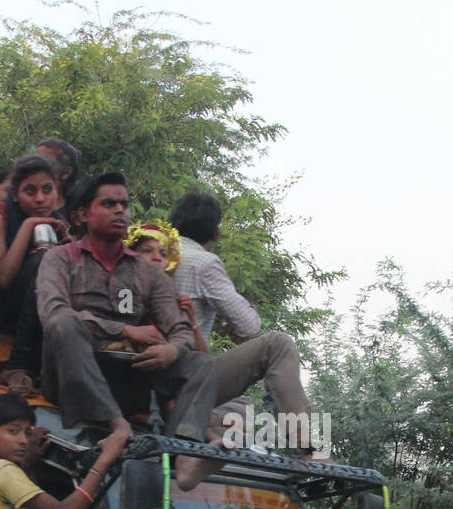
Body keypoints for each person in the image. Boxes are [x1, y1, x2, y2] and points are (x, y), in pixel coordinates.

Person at [34, 172, 217, 489]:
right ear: (82, 214)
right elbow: (53, 314)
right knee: (65, 323)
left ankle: (182, 452)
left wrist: (172, 349)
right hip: (71, 375)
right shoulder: (59, 259)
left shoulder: (148, 272)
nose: (120, 210)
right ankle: (117, 425)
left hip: (130, 374)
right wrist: (126, 331)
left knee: (202, 363)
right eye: (108, 203)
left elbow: (181, 330)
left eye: (124, 204)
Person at [169, 191, 315, 453]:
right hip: (183, 377)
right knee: (278, 345)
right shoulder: (203, 262)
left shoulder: (151, 252)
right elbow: (249, 325)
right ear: (215, 233)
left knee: (241, 405)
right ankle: (304, 447)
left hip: (155, 374)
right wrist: (233, 324)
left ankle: (208, 434)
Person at [0, 156, 69, 393]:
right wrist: (30, 225)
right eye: (30, 191)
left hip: (45, 311)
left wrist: (69, 246)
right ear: (16, 195)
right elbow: (3, 279)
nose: (40, 198)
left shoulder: (60, 223)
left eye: (47, 190)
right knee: (45, 261)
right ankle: (17, 364)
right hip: (5, 309)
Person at [126, 221, 209, 354]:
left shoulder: (174, 302)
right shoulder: (122, 291)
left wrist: (191, 321)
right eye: (147, 251)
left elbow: (204, 359)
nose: (157, 258)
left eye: (163, 254)